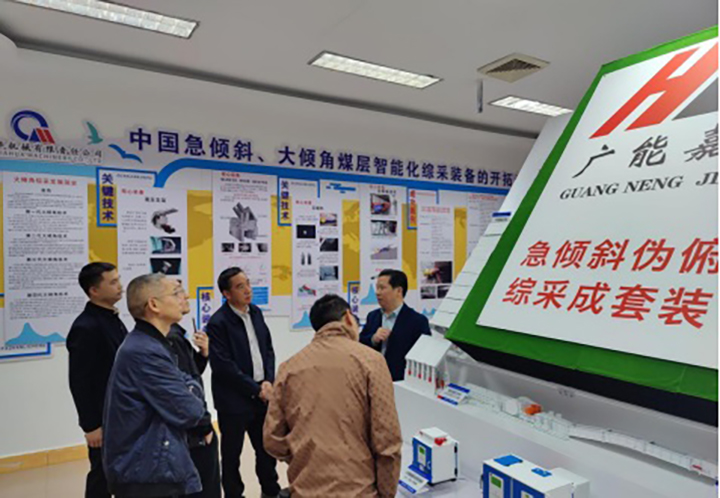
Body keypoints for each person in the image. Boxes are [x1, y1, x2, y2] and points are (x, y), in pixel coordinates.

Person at [264, 294, 402, 497]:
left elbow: (272, 438)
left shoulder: (289, 368)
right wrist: (386, 493)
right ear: (348, 317)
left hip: (305, 490)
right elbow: (387, 439)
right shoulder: (371, 361)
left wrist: (302, 455)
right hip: (359, 490)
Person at [103, 274, 211, 498]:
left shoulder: (154, 344)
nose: (185, 297)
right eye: (176, 293)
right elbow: (190, 410)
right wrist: (191, 389)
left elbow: (187, 384)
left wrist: (188, 387)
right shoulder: (144, 351)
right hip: (147, 471)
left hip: (153, 463)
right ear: (153, 305)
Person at [206, 267, 284, 498]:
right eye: (240, 287)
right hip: (234, 400)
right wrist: (256, 389)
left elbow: (268, 349)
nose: (248, 290)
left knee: (266, 450)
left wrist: (268, 381)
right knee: (232, 456)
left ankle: (271, 492)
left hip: (262, 394)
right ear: (227, 294)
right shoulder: (218, 322)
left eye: (248, 284)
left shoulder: (256, 312)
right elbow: (224, 367)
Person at [67, 262, 127, 498]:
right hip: (103, 416)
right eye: (113, 282)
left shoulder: (112, 318)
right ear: (94, 290)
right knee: (102, 475)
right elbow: (79, 381)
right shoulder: (86, 326)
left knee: (119, 471)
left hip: (121, 412)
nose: (120, 286)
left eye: (118, 280)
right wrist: (91, 425)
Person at [166, 283, 221, 498]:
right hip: (193, 430)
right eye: (178, 293)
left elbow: (191, 374)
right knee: (204, 487)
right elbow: (182, 390)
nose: (186, 296)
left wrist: (203, 353)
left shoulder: (175, 335)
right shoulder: (170, 338)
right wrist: (203, 427)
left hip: (193, 426)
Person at [360, 269, 431, 381]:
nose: (377, 292)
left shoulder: (418, 321)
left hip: (401, 383)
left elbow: (424, 356)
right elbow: (360, 344)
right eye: (377, 288)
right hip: (373, 380)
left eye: (382, 288)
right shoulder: (372, 316)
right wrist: (373, 339)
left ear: (398, 291)